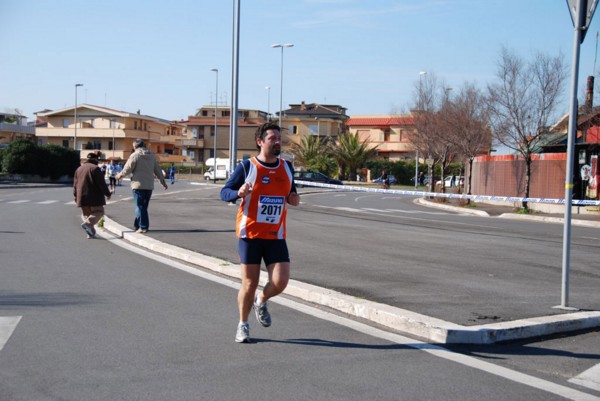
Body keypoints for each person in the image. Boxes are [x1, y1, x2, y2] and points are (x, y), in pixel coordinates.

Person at [220, 122, 300, 343]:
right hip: (250, 235)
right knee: (249, 283)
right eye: (272, 138)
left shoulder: (287, 167)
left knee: (281, 281)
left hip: (276, 235)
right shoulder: (247, 167)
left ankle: (262, 299)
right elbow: (224, 192)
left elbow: (291, 193)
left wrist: (293, 199)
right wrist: (238, 191)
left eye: (278, 139)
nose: (277, 142)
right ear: (260, 142)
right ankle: (243, 324)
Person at [115, 139, 168, 233]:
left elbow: (128, 168)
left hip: (138, 184)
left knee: (140, 206)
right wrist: (163, 182)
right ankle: (137, 225)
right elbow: (158, 170)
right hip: (149, 185)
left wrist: (119, 176)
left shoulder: (135, 155)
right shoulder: (152, 156)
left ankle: (143, 226)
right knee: (143, 207)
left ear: (135, 146)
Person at [73, 152, 112, 239]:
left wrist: (76, 197)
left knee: (87, 215)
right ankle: (87, 224)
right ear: (95, 160)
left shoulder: (79, 169)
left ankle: (91, 233)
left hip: (81, 197)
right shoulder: (95, 169)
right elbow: (101, 184)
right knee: (99, 212)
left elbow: (75, 185)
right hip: (94, 197)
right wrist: (108, 194)